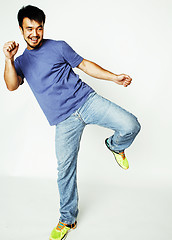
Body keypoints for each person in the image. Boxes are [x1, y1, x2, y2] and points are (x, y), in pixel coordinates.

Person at [3, 5, 141, 240]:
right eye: (29, 29)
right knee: (64, 170)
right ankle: (67, 219)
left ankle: (115, 146)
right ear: (21, 29)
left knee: (131, 125)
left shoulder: (58, 47)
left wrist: (114, 77)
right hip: (64, 121)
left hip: (86, 101)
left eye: (39, 28)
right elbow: (11, 85)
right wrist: (8, 59)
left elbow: (85, 65)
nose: (35, 33)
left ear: (43, 27)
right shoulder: (22, 61)